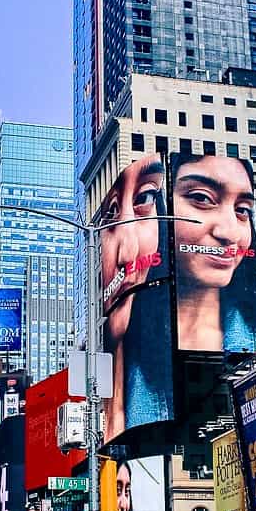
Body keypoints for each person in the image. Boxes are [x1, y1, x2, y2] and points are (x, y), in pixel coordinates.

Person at [98, 154, 168, 441]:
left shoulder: (157, 403)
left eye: (145, 198)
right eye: (112, 211)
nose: (127, 253)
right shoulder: (95, 414)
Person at [171, 152, 256, 352]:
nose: (230, 234)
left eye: (242, 210)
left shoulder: (255, 338)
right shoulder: (131, 347)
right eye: (201, 198)